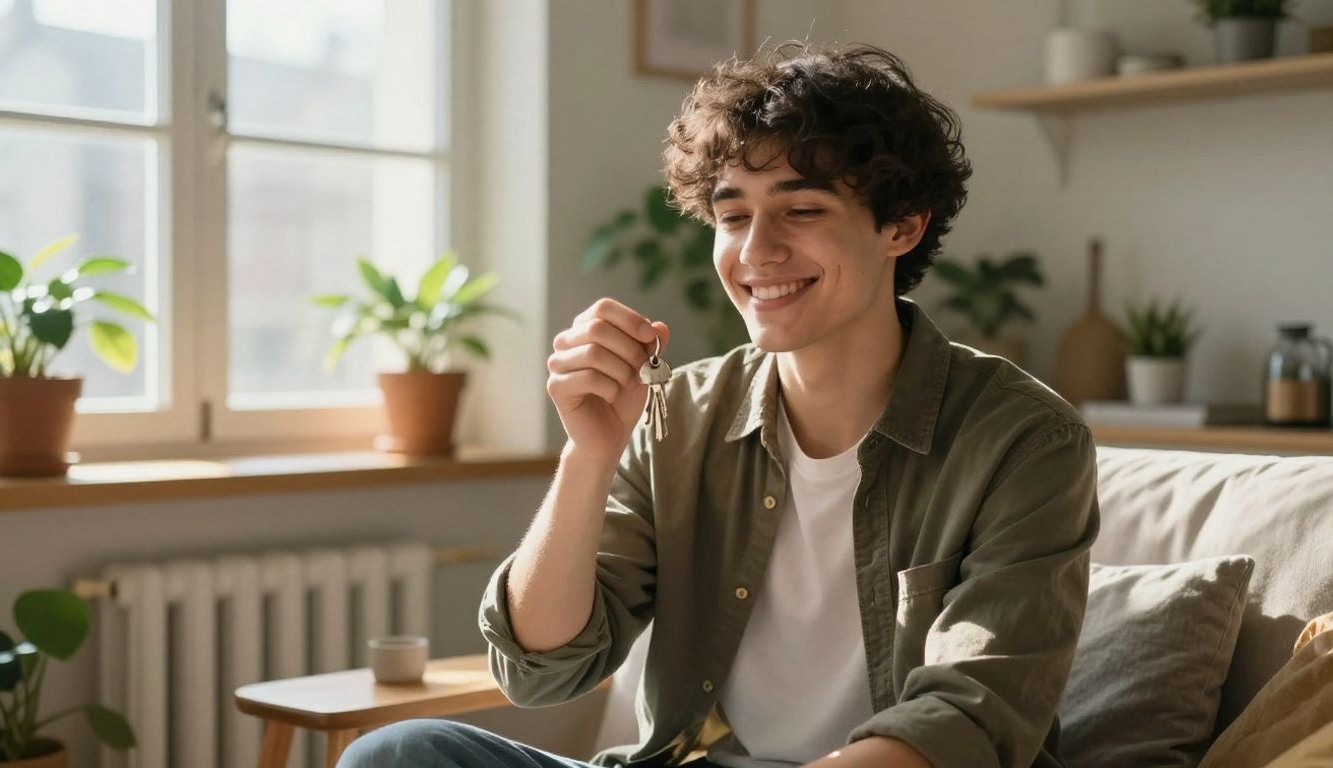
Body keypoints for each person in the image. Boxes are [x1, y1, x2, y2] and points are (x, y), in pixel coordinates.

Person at [341, 42, 1099, 768]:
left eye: (801, 211)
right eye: (733, 217)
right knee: (399, 755)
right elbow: (540, 669)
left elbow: (970, 718)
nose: (755, 251)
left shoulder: (1025, 440)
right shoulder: (682, 415)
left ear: (901, 226)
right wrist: (590, 453)